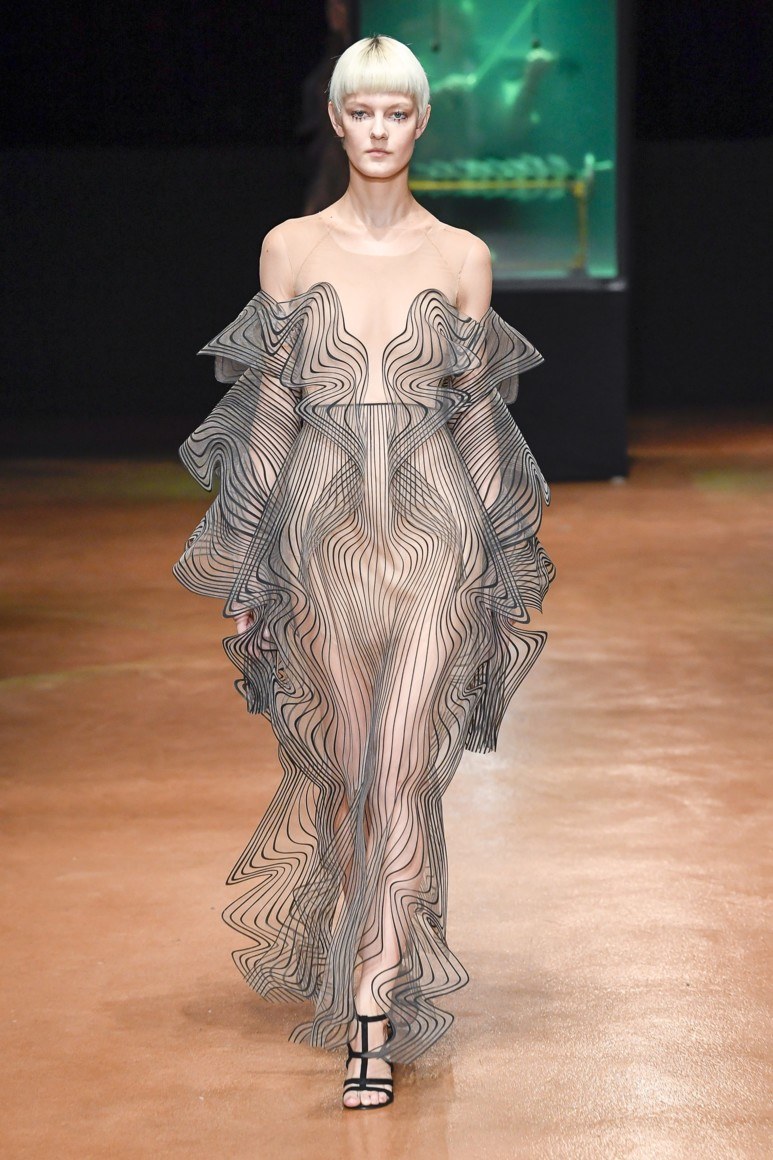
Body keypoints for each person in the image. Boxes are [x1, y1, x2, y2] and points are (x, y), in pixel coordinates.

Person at [174, 35, 555, 1111]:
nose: (379, 129)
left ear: (419, 123)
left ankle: (372, 1012)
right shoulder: (289, 248)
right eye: (362, 111)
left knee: (399, 773)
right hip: (317, 534)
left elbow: (477, 424)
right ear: (336, 122)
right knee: (349, 777)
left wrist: (505, 563)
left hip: (437, 537)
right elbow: (269, 414)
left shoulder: (463, 256)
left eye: (397, 111)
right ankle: (360, 959)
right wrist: (244, 560)